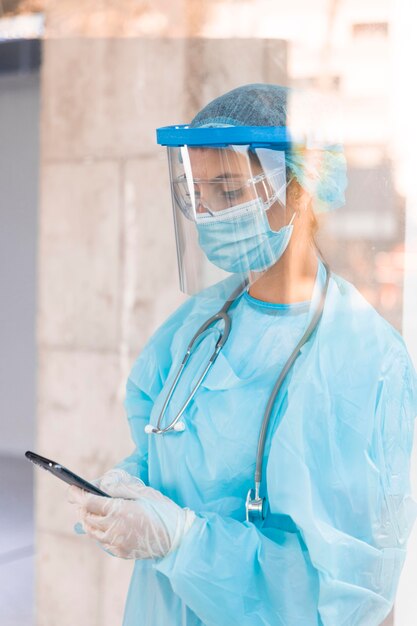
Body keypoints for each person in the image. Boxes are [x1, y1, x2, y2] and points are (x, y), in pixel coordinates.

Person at [67, 84, 417, 626]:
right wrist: (128, 490)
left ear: (298, 192)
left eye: (228, 192)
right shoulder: (200, 322)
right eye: (197, 194)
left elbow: (343, 596)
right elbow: (169, 442)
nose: (207, 215)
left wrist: (180, 541)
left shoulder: (365, 361)